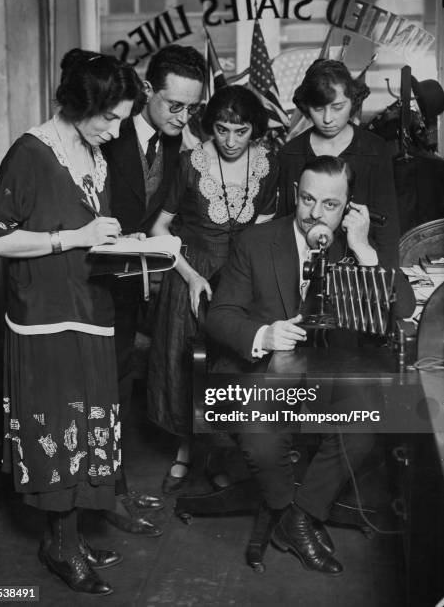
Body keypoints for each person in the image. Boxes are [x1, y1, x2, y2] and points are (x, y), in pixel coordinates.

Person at [0, 49, 144, 596]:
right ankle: (61, 544)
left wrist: (123, 242)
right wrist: (70, 238)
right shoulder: (30, 152)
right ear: (77, 104)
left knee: (88, 427)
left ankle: (69, 535)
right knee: (57, 432)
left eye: (121, 118)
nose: (116, 130)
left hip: (91, 309)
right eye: (109, 117)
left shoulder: (94, 154)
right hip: (45, 320)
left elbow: (87, 227)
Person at [206, 156, 415, 575]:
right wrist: (263, 334)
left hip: (330, 374)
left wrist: (363, 251)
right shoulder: (256, 240)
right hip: (265, 370)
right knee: (261, 438)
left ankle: (296, 516)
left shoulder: (359, 243)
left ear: (349, 207)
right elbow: (220, 314)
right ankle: (291, 513)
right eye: (307, 200)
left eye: (330, 205)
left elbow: (404, 308)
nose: (315, 214)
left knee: (365, 424)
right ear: (294, 195)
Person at [147, 85, 279, 494]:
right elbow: (158, 229)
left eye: (240, 131)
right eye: (222, 130)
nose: (231, 141)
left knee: (236, 370)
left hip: (244, 279)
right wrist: (190, 276)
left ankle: (223, 454)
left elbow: (266, 231)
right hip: (194, 274)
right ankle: (188, 452)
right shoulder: (190, 163)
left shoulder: (269, 164)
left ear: (254, 129)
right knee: (190, 368)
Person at [101, 44, 206, 533]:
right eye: (174, 105)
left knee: (119, 387)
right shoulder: (105, 131)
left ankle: (115, 490)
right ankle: (104, 497)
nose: (184, 117)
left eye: (192, 108)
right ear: (147, 91)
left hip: (129, 290)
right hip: (89, 285)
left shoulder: (174, 143)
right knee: (98, 392)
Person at [277, 58, 400, 269]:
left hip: (359, 264)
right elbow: (283, 224)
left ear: (353, 102)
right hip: (301, 265)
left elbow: (387, 227)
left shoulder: (375, 150)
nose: (327, 119)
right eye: (318, 108)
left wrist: (386, 274)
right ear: (306, 107)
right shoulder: (290, 153)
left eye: (337, 107)